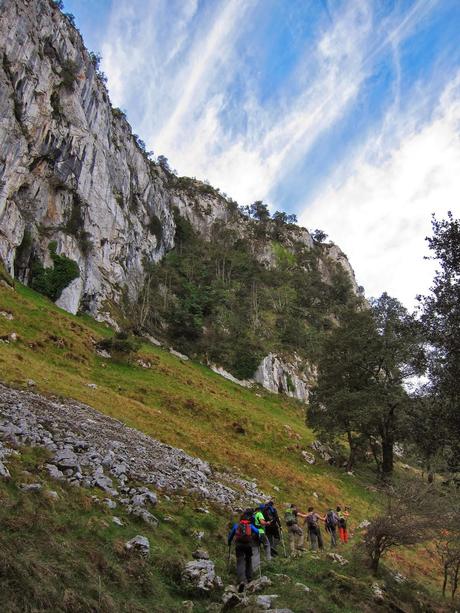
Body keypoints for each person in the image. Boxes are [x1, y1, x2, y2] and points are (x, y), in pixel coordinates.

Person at [228, 509, 260, 592]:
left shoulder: (237, 525)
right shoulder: (250, 525)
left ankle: (242, 580)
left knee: (240, 562)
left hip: (239, 546)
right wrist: (257, 539)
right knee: (249, 561)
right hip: (248, 545)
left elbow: (231, 535)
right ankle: (249, 579)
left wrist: (229, 542)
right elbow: (257, 532)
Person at [253, 504, 272, 569]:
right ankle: (269, 563)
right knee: (267, 545)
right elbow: (262, 522)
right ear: (260, 509)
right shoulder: (259, 514)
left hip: (253, 534)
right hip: (260, 532)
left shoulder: (253, 515)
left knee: (255, 549)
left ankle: (255, 568)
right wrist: (267, 523)